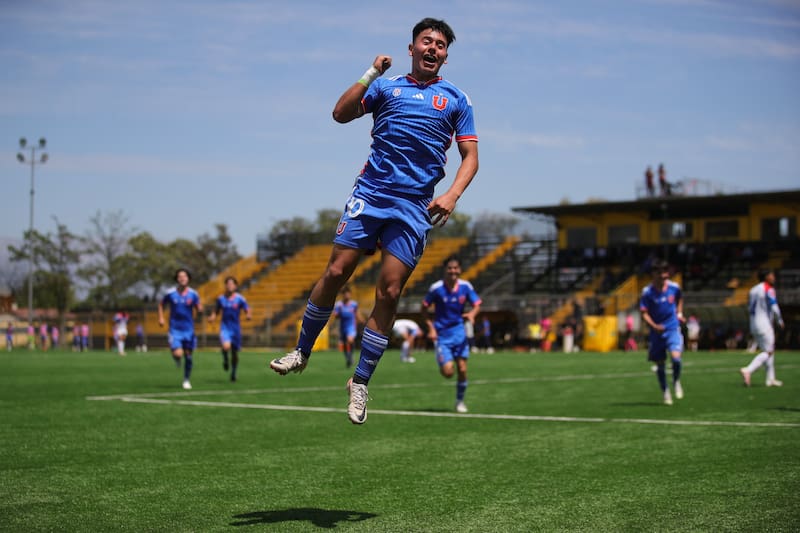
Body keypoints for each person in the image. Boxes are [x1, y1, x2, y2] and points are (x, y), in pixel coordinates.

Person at [268, 17, 479, 426]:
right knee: (337, 270)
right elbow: (339, 113)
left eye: (440, 45)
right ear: (412, 48)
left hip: (414, 206)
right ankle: (302, 351)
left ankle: (360, 381)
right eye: (426, 42)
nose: (433, 49)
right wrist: (370, 72)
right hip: (371, 194)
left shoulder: (457, 100)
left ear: (446, 56)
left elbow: (471, 157)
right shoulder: (386, 86)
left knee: (390, 289)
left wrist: (451, 195)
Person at [421, 256, 482, 413]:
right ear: (445, 270)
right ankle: (444, 360)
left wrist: (472, 314)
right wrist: (431, 328)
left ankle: (459, 401)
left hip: (459, 332)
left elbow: (477, 304)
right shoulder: (436, 288)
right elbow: (424, 307)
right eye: (450, 268)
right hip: (442, 335)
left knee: (462, 369)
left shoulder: (465, 286)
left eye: (456, 268)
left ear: (460, 270)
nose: (453, 271)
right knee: (448, 372)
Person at [640, 260, 685, 405]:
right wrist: (654, 325)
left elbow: (680, 299)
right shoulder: (647, 292)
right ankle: (665, 391)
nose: (663, 276)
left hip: (672, 328)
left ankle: (676, 380)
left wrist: (679, 313)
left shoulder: (674, 288)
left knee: (676, 358)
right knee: (660, 364)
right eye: (659, 273)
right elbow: (644, 312)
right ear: (653, 274)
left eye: (665, 273)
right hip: (656, 332)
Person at [158, 268, 203, 390]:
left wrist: (200, 309)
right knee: (178, 354)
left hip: (189, 329)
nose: (182, 278)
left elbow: (199, 306)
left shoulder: (193, 294)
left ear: (188, 278)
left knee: (188, 355)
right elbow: (161, 304)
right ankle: (177, 358)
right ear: (177, 279)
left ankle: (186, 379)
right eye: (180, 276)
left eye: (185, 276)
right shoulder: (170, 293)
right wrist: (161, 318)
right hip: (175, 329)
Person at [740, 269, 785, 387]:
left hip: (753, 323)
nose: (774, 277)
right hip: (764, 323)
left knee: (768, 349)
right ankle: (748, 370)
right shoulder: (768, 288)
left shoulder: (753, 289)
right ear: (766, 277)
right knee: (768, 352)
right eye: (771, 275)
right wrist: (779, 320)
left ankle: (770, 379)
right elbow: (774, 305)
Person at [208, 276, 251, 382]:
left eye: (232, 284)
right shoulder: (221, 299)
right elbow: (216, 310)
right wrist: (213, 316)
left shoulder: (240, 298)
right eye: (228, 284)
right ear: (225, 286)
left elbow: (247, 308)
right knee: (226, 347)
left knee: (235, 353)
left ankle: (233, 373)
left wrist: (248, 314)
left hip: (236, 329)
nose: (229, 286)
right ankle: (225, 359)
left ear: (235, 286)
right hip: (225, 327)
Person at [333, 286, 361, 368]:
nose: (346, 295)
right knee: (345, 344)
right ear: (342, 295)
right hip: (343, 327)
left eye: (348, 294)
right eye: (344, 294)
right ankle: (348, 358)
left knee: (350, 340)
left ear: (350, 294)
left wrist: (361, 322)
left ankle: (351, 356)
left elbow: (357, 314)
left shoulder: (354, 304)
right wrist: (338, 314)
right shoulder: (339, 305)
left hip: (351, 326)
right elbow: (336, 316)